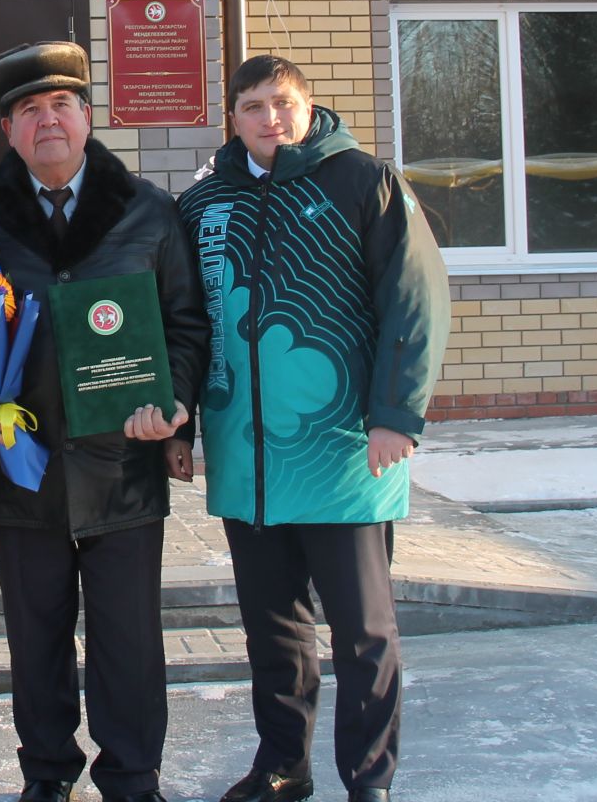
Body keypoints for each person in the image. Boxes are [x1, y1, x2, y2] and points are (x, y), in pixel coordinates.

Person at [0, 40, 209, 802]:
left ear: (88, 117)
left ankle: (132, 776)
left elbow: (186, 325)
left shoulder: (149, 210)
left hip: (122, 463)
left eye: (61, 105)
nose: (46, 121)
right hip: (21, 467)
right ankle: (47, 774)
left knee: (128, 639)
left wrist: (179, 406)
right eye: (29, 110)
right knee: (37, 637)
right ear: (7, 130)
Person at [175, 55, 451, 802]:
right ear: (231, 117)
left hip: (343, 452)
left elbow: (415, 302)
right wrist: (179, 427)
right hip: (246, 457)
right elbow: (189, 325)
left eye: (283, 102)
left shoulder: (365, 182)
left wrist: (395, 415)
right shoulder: (203, 205)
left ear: (310, 106)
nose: (271, 118)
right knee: (274, 631)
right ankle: (282, 766)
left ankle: (370, 781)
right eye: (254, 106)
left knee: (363, 633)